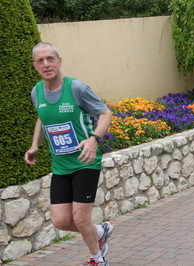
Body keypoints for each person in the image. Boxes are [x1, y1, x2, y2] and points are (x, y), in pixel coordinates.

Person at [25, 42, 114, 266]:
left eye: (50, 59)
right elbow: (42, 117)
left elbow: (105, 113)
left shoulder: (76, 88)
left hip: (85, 162)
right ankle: (100, 231)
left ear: (59, 61)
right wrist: (35, 145)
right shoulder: (37, 91)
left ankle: (97, 258)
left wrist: (93, 139)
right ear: (35, 66)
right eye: (40, 61)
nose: (46, 64)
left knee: (79, 218)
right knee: (61, 221)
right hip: (61, 166)